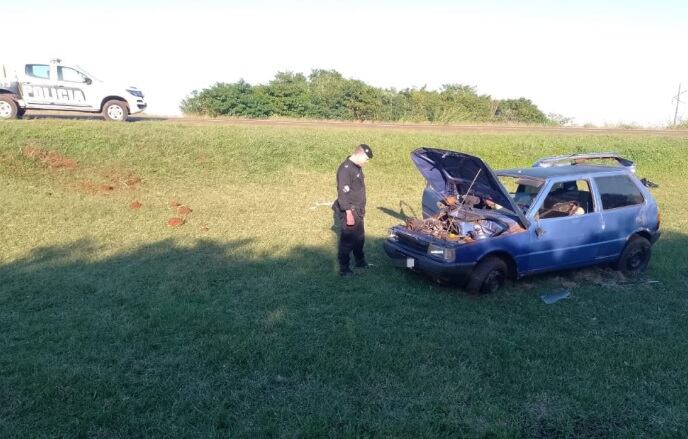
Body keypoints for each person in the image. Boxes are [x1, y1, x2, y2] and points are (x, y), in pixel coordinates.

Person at [333, 144, 373, 276]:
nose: (366, 162)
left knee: (359, 238)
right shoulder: (345, 169)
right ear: (359, 154)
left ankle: (360, 261)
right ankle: (344, 269)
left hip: (359, 211)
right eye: (366, 159)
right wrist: (348, 213)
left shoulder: (356, 167)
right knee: (347, 240)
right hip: (351, 210)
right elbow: (342, 194)